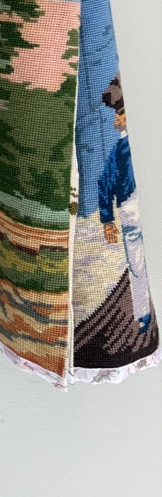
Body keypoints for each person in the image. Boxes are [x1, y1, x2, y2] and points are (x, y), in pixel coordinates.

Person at [98, 75, 152, 335]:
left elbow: (105, 184)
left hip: (126, 209)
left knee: (134, 260)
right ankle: (141, 314)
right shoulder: (118, 150)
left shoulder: (118, 151)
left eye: (117, 116)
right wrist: (107, 219)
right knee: (135, 261)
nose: (116, 121)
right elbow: (105, 183)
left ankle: (141, 314)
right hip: (128, 209)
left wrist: (107, 219)